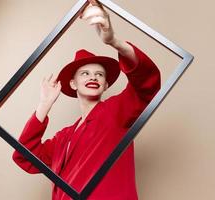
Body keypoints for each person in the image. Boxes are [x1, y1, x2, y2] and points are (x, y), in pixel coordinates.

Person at [12, 1, 161, 200]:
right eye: (85, 73)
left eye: (99, 75)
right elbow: (24, 156)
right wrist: (44, 105)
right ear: (72, 84)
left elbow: (147, 84)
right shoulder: (63, 137)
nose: (93, 77)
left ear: (106, 85)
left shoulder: (116, 111)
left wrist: (114, 41)